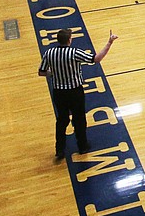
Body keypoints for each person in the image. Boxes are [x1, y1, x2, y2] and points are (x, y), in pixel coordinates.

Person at [38, 27, 118, 158]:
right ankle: (82, 147)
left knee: (62, 121)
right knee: (79, 120)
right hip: (75, 92)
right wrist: (109, 43)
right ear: (69, 40)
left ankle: (59, 149)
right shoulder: (74, 52)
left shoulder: (49, 53)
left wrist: (53, 73)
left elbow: (41, 72)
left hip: (59, 93)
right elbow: (96, 59)